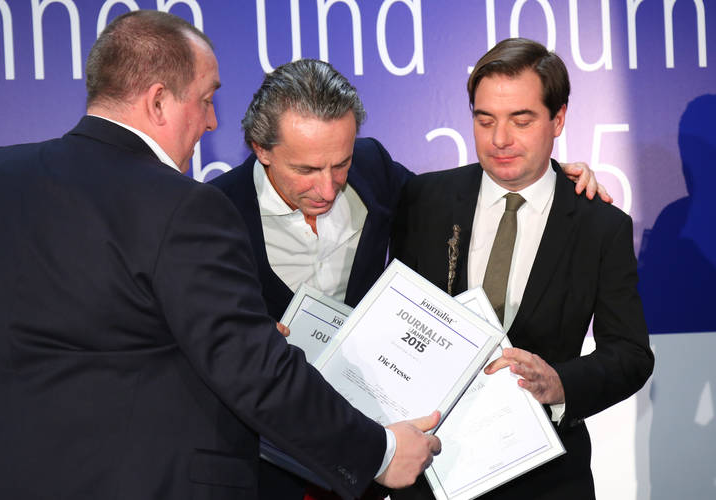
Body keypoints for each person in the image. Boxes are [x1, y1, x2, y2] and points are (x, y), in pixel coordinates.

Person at [0, 11, 442, 500]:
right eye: (207, 99)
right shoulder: (185, 206)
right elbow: (254, 371)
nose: (213, 121)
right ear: (158, 101)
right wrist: (380, 453)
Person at [210, 58, 609, 499]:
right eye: (306, 170)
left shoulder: (373, 169)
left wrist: (547, 179)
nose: (327, 188)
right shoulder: (213, 214)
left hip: (368, 462)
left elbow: (453, 201)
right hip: (266, 466)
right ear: (261, 148)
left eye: (340, 164)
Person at [389, 38, 654, 499]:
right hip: (429, 473)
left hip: (547, 480)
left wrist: (560, 384)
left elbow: (630, 354)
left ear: (559, 119)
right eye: (484, 119)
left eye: (521, 120)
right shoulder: (424, 198)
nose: (500, 140)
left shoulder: (599, 225)